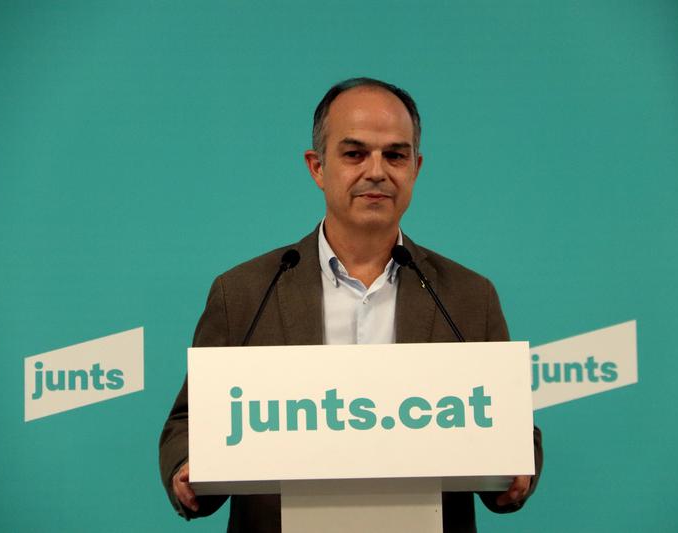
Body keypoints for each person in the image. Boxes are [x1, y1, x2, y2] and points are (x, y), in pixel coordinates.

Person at [159, 77, 543, 533]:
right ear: (317, 167)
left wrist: (519, 468)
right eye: (355, 153)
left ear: (416, 167)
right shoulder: (243, 292)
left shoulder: (467, 295)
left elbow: (511, 425)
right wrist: (186, 465)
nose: (377, 171)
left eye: (395, 155)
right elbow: (190, 422)